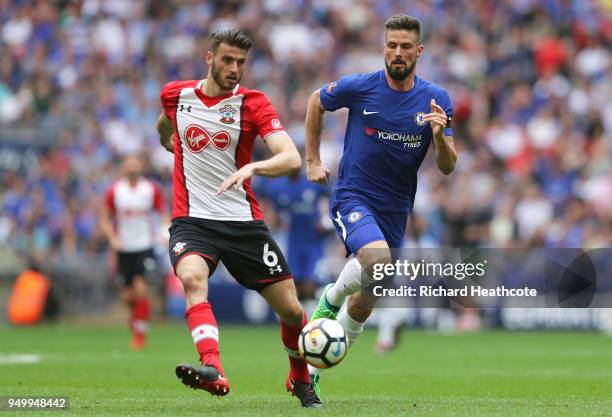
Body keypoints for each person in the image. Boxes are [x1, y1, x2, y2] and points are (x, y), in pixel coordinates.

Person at [156, 29, 322, 408]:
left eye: (241, 63)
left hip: (243, 224)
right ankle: (212, 368)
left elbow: (291, 158)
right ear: (209, 58)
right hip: (192, 220)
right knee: (192, 279)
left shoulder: (253, 103)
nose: (235, 69)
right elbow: (164, 123)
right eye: (228, 60)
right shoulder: (175, 95)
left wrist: (254, 169)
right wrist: (167, 140)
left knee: (293, 311)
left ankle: (298, 377)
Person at [305, 15, 457, 394]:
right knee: (376, 260)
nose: (398, 53)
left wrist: (439, 136)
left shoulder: (437, 99)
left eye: (406, 47)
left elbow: (448, 166)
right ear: (383, 47)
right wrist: (311, 159)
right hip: (353, 196)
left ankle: (319, 354)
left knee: (365, 303)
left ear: (419, 51)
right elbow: (315, 101)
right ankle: (325, 321)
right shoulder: (361, 87)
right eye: (392, 45)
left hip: (395, 210)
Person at [100, 154, 167, 350]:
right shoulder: (115, 190)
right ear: (123, 168)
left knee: (141, 289)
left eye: (135, 164)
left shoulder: (150, 189)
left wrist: (164, 231)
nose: (132, 168)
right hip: (124, 248)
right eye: (128, 164)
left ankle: (139, 335)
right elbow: (104, 217)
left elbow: (162, 213)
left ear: (141, 167)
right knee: (127, 297)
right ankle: (135, 316)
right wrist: (113, 239)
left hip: (145, 245)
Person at [263, 164, 331, 312]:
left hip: (314, 241)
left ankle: (314, 316)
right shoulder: (277, 188)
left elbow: (325, 200)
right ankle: (301, 319)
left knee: (310, 282)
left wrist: (325, 219)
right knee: (294, 284)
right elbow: (273, 214)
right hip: (293, 241)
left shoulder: (312, 183)